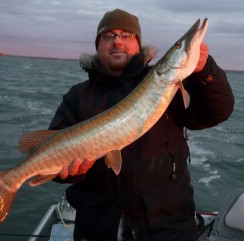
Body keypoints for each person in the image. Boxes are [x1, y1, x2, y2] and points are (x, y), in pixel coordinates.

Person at [49, 9, 234, 241]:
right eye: (108, 36)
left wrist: (205, 71)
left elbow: (216, 112)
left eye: (126, 35)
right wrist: (70, 174)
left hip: (167, 226)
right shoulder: (77, 97)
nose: (117, 41)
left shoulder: (170, 85)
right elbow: (52, 156)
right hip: (99, 227)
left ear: (138, 44)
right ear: (98, 45)